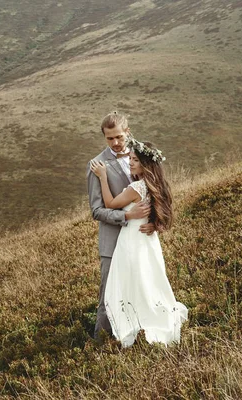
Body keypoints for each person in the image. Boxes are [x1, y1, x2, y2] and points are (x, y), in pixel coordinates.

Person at [89, 138, 188, 347]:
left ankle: (133, 322)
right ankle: (145, 316)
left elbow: (109, 204)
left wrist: (103, 177)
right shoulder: (154, 185)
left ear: (144, 164)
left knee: (132, 282)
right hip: (148, 241)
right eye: (130, 159)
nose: (130, 163)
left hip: (133, 241)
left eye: (134, 160)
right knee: (147, 280)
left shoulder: (136, 187)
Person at [86, 111, 155, 339]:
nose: (115, 143)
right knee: (108, 294)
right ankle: (101, 343)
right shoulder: (97, 165)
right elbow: (97, 211)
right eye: (109, 138)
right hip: (113, 241)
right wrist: (127, 216)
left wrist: (154, 222)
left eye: (119, 137)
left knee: (140, 288)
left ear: (128, 132)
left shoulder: (142, 156)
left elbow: (156, 193)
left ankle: (135, 337)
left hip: (139, 239)